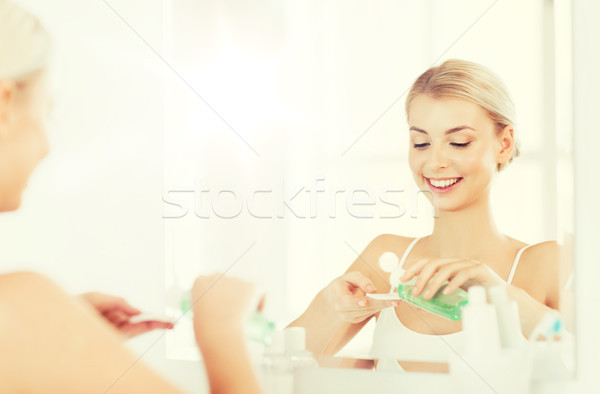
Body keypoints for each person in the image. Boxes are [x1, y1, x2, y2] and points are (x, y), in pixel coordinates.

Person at [0, 1, 262, 393]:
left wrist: (60, 334)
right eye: (46, 111)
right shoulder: (18, 308)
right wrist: (223, 333)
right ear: (5, 103)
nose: (48, 145)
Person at [289, 59, 566, 364]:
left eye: (459, 143)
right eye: (421, 143)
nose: (435, 163)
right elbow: (274, 369)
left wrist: (501, 295)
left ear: (504, 143)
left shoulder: (545, 265)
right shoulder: (387, 260)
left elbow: (587, 362)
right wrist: (329, 306)